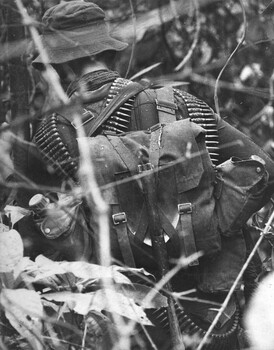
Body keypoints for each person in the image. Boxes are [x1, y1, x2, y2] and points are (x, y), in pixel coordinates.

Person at [15, 1, 274, 349]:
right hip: (210, 310)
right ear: (110, 52)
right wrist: (209, 223)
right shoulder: (183, 102)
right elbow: (263, 170)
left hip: (120, 315)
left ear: (57, 64)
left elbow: (30, 236)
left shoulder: (52, 132)